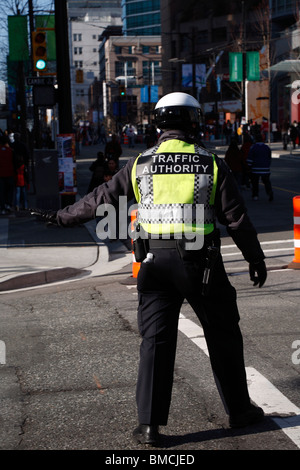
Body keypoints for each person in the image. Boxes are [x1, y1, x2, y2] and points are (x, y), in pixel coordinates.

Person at [30, 92, 267, 446]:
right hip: (201, 266)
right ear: (194, 121)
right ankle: (239, 410)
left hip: (154, 265)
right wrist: (255, 258)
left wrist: (60, 217)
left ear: (158, 123)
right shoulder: (209, 162)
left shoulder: (140, 164)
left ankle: (149, 426)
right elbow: (237, 219)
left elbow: (100, 199)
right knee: (223, 336)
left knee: (155, 341)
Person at [247, 134, 273, 201]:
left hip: (255, 168)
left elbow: (250, 159)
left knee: (255, 182)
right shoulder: (267, 148)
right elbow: (269, 158)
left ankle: (255, 195)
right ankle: (269, 193)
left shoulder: (253, 147)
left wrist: (249, 166)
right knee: (267, 182)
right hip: (265, 168)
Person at [0, 135, 15, 214]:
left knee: (1, 191)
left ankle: (2, 207)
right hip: (9, 173)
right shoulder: (10, 150)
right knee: (9, 190)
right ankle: (8, 204)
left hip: (1, 174)